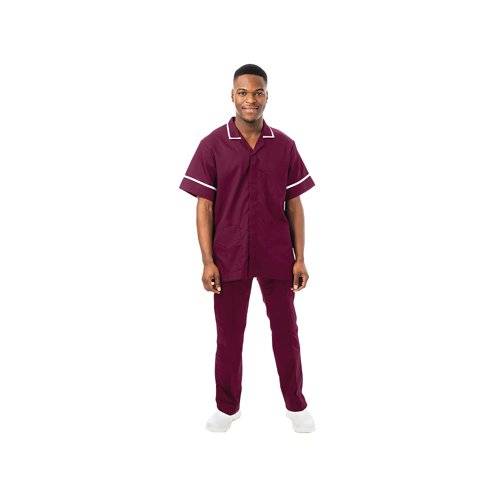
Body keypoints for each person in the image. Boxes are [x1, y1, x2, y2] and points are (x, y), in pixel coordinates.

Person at [179, 64, 317, 433]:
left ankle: (296, 405)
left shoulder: (284, 145)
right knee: (229, 336)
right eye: (243, 92)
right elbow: (204, 207)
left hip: (276, 254)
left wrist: (300, 257)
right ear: (232, 96)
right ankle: (227, 408)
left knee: (286, 332)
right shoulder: (212, 145)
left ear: (267, 96)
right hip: (228, 256)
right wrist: (207, 261)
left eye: (257, 92)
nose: (250, 99)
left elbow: (294, 205)